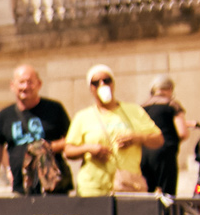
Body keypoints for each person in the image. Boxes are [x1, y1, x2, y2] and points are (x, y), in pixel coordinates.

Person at [61, 63, 163, 196]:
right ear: (91, 88)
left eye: (106, 80)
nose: (102, 85)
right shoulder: (83, 116)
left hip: (127, 185)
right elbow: (68, 150)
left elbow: (158, 139)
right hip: (93, 188)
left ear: (113, 84)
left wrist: (136, 138)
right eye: (95, 83)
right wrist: (89, 148)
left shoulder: (133, 110)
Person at [0, 64, 72, 197]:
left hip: (53, 189)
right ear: (12, 85)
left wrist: (49, 147)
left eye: (30, 82)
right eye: (21, 82)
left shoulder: (54, 109)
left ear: (39, 84)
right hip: (21, 189)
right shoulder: (4, 116)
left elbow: (71, 140)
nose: (25, 86)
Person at [142, 76, 185, 198]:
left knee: (147, 195)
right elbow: (182, 132)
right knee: (168, 195)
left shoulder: (142, 107)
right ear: (170, 89)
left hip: (143, 154)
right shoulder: (172, 105)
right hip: (164, 151)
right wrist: (174, 140)